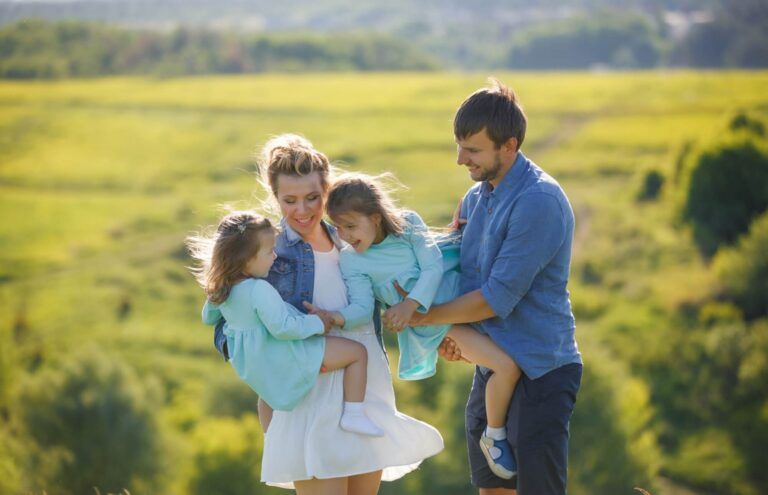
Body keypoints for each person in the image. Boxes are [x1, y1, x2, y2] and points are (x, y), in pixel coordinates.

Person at [210, 134, 443, 495]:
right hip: (310, 395)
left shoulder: (351, 236)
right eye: (289, 201)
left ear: (327, 190)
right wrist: (274, 360)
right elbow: (227, 329)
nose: (302, 210)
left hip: (364, 390)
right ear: (275, 198)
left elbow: (411, 267)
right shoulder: (266, 254)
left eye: (312, 198)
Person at [410, 79, 583, 495]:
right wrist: (453, 339)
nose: (460, 159)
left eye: (472, 150)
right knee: (492, 491)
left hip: (541, 370)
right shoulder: (476, 198)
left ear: (509, 146)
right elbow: (465, 283)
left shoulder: (538, 201)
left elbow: (494, 298)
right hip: (492, 373)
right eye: (459, 146)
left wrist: (424, 318)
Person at [312, 172, 520, 480]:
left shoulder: (408, 224)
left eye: (351, 226)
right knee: (506, 367)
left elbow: (433, 264)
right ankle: (494, 434)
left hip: (465, 298)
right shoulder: (352, 260)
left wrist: (410, 304)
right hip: (441, 325)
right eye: (339, 227)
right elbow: (361, 308)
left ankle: (498, 427)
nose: (344, 235)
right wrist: (334, 318)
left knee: (507, 362)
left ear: (376, 217)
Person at [188, 211, 384, 436]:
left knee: (266, 396)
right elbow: (284, 328)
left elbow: (208, 318)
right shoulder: (258, 289)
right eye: (269, 251)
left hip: (257, 363)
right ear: (246, 258)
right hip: (286, 355)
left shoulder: (221, 289)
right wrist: (318, 323)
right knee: (357, 353)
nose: (274, 257)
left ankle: (271, 439)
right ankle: (354, 414)